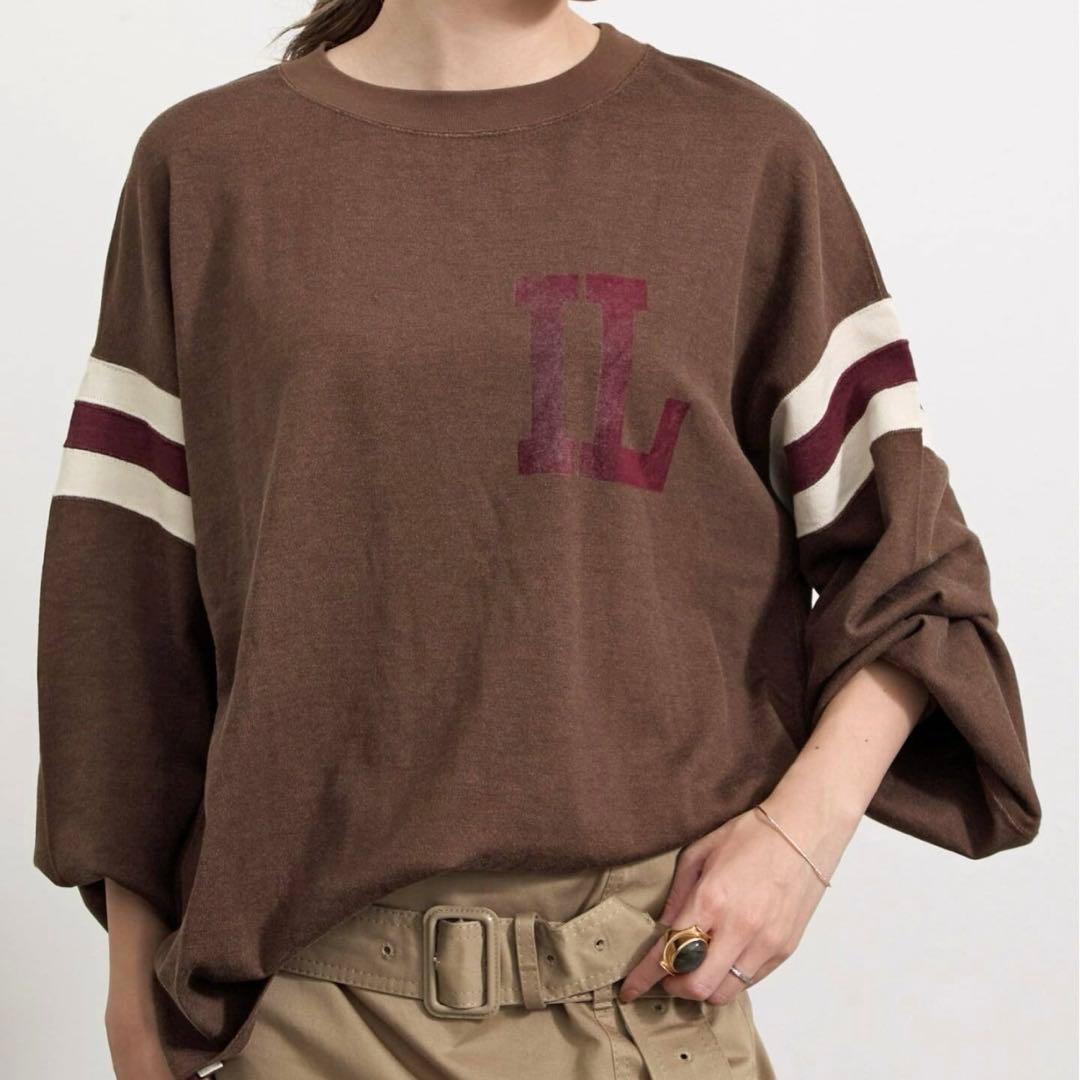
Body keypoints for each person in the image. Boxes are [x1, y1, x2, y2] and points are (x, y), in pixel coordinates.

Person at [33, 2, 1043, 1078]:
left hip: (652, 1001)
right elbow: (124, 607)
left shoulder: (745, 157)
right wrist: (133, 996)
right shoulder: (208, 167)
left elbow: (914, 570)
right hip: (311, 1014)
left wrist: (802, 840)